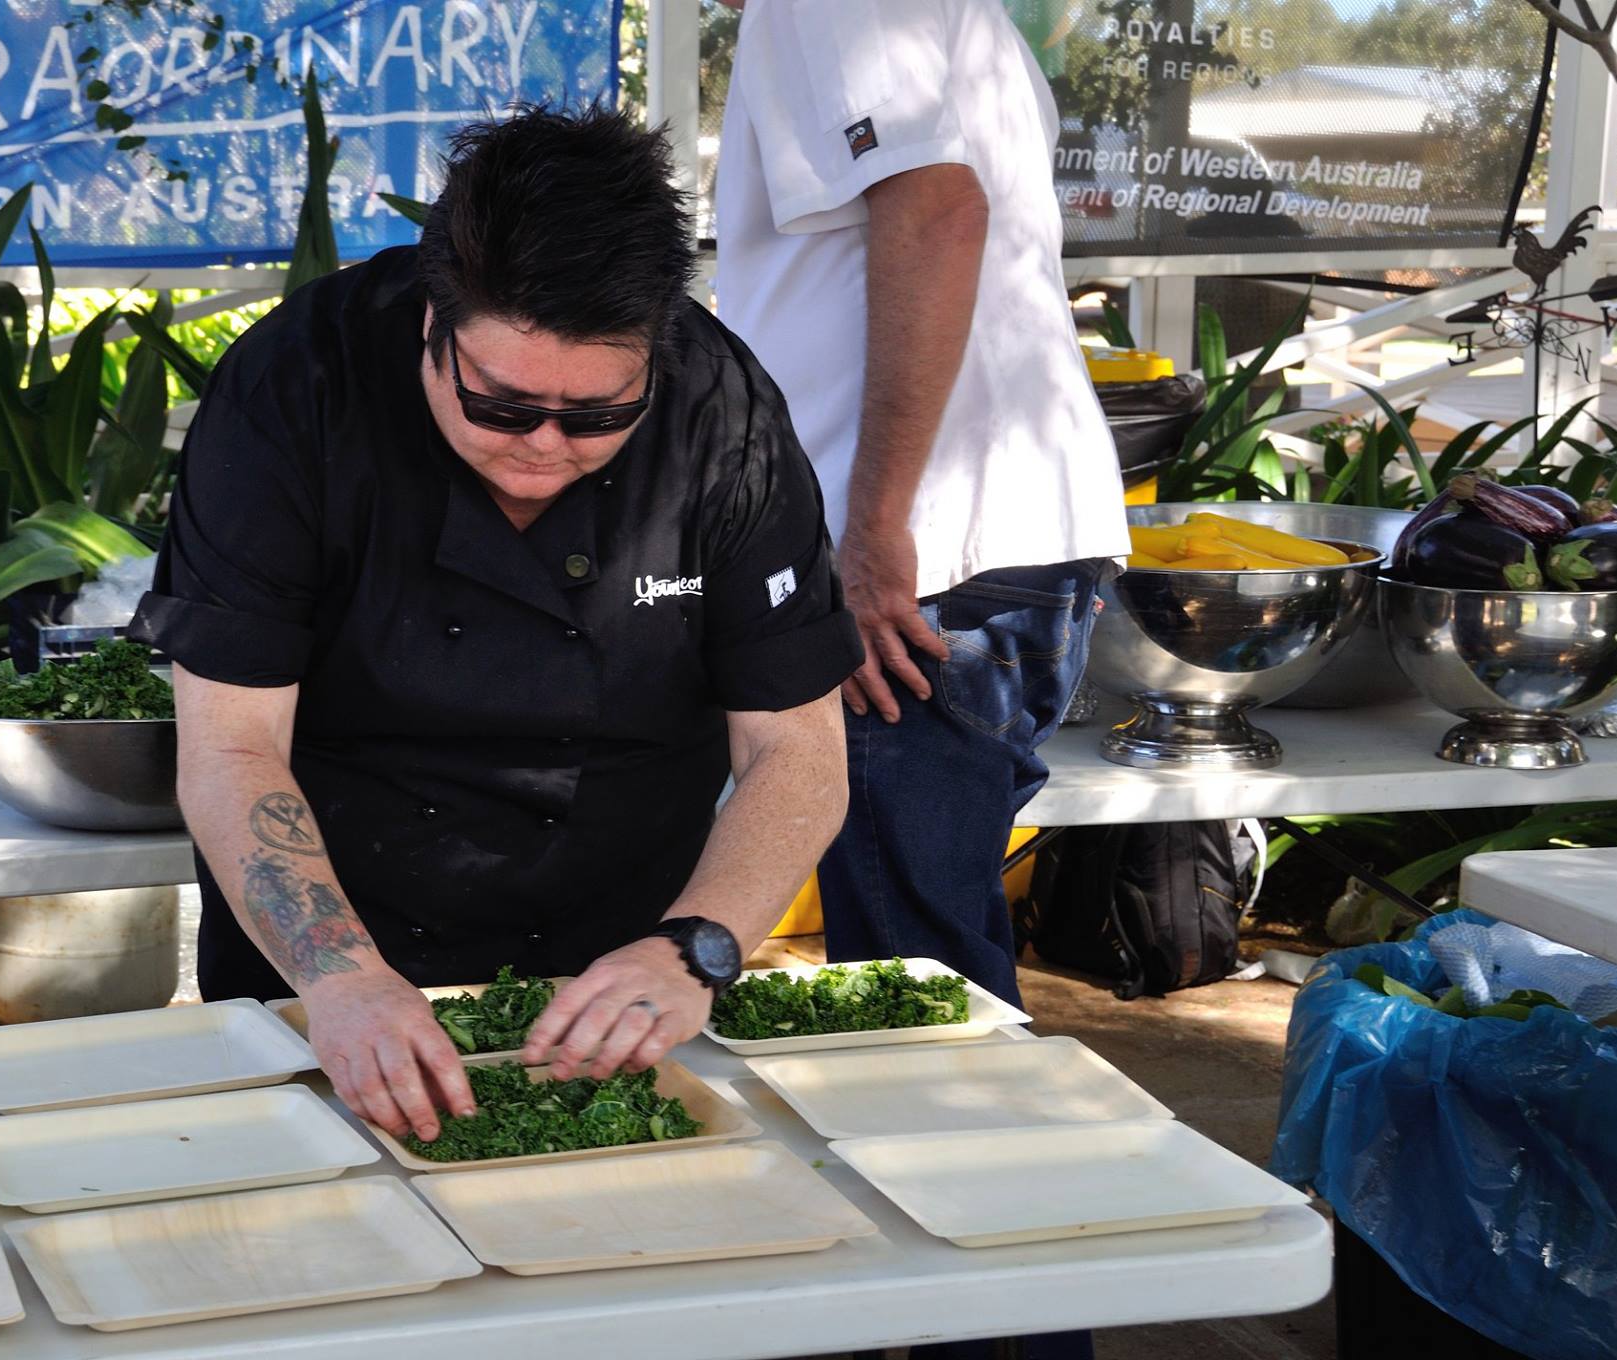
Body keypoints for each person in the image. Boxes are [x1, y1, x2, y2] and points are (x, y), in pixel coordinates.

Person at [129, 105, 862, 1146]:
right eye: (503, 408)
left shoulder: (723, 418)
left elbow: (798, 751)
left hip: (621, 973)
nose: (545, 447)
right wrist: (340, 978)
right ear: (433, 324)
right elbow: (230, 745)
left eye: (599, 416)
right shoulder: (295, 389)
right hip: (324, 965)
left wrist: (694, 947)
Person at [716, 5, 1127, 1356]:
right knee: (930, 984)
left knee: (927, 1015)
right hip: (977, 550)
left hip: (927, 564)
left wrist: (874, 530)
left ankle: (1004, 1333)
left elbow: (937, 212)